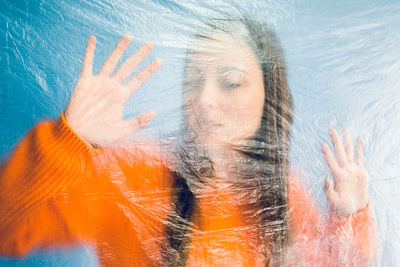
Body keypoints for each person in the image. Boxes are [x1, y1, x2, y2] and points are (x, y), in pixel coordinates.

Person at [0, 17, 375, 266]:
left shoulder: (285, 194)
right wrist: (68, 141)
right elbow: (5, 231)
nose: (204, 99)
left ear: (270, 97)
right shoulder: (133, 174)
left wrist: (351, 217)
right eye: (194, 80)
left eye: (229, 82)